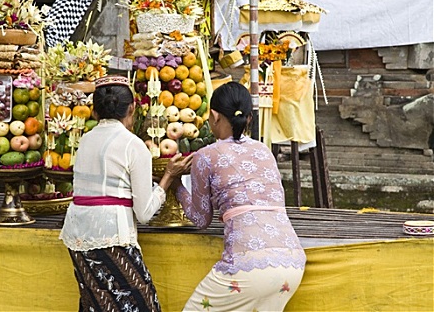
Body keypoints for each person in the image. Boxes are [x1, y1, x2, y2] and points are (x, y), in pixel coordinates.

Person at [59, 75, 190, 311]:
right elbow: (145, 213)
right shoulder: (133, 145)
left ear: (95, 112)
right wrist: (168, 176)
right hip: (111, 234)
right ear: (132, 108)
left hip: (77, 233)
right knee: (143, 304)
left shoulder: (85, 140)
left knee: (96, 304)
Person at [173, 81, 306, 311]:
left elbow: (200, 219)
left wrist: (175, 184)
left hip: (248, 268)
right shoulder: (264, 150)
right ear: (249, 119)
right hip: (292, 262)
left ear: (214, 116)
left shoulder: (205, 156)